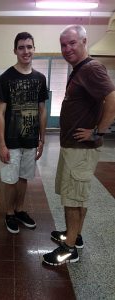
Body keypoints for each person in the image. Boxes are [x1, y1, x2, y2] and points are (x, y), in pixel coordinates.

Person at [43, 25, 115, 266]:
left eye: (72, 43)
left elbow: (113, 97)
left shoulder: (92, 68)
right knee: (72, 196)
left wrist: (98, 131)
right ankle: (74, 235)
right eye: (63, 44)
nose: (67, 48)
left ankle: (69, 248)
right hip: (72, 147)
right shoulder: (80, 69)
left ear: (84, 41)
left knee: (74, 199)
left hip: (80, 150)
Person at [0, 32, 48, 234]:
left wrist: (42, 140)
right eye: (21, 47)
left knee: (24, 177)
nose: (26, 51)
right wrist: (1, 144)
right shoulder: (6, 78)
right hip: (11, 140)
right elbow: (0, 113)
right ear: (15, 50)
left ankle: (19, 210)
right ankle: (9, 213)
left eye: (29, 47)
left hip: (30, 139)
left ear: (34, 49)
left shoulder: (40, 79)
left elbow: (42, 111)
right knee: (10, 180)